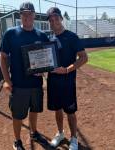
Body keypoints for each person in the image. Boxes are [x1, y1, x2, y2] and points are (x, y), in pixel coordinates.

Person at [0, 2, 49, 150]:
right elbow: (2, 57)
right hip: (18, 84)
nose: (27, 16)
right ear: (20, 15)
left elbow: (46, 58)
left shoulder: (41, 35)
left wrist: (44, 70)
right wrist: (7, 80)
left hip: (36, 84)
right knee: (18, 115)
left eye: (29, 13)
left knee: (34, 111)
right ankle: (17, 141)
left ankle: (34, 133)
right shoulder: (11, 33)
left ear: (34, 15)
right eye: (24, 14)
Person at [46, 7, 88, 150]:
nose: (53, 22)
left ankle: (74, 138)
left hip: (68, 82)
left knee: (70, 112)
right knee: (57, 110)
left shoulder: (71, 36)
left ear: (61, 19)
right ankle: (60, 133)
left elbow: (84, 58)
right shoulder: (48, 39)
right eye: (50, 20)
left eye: (56, 18)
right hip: (52, 81)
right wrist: (40, 70)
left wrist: (66, 70)